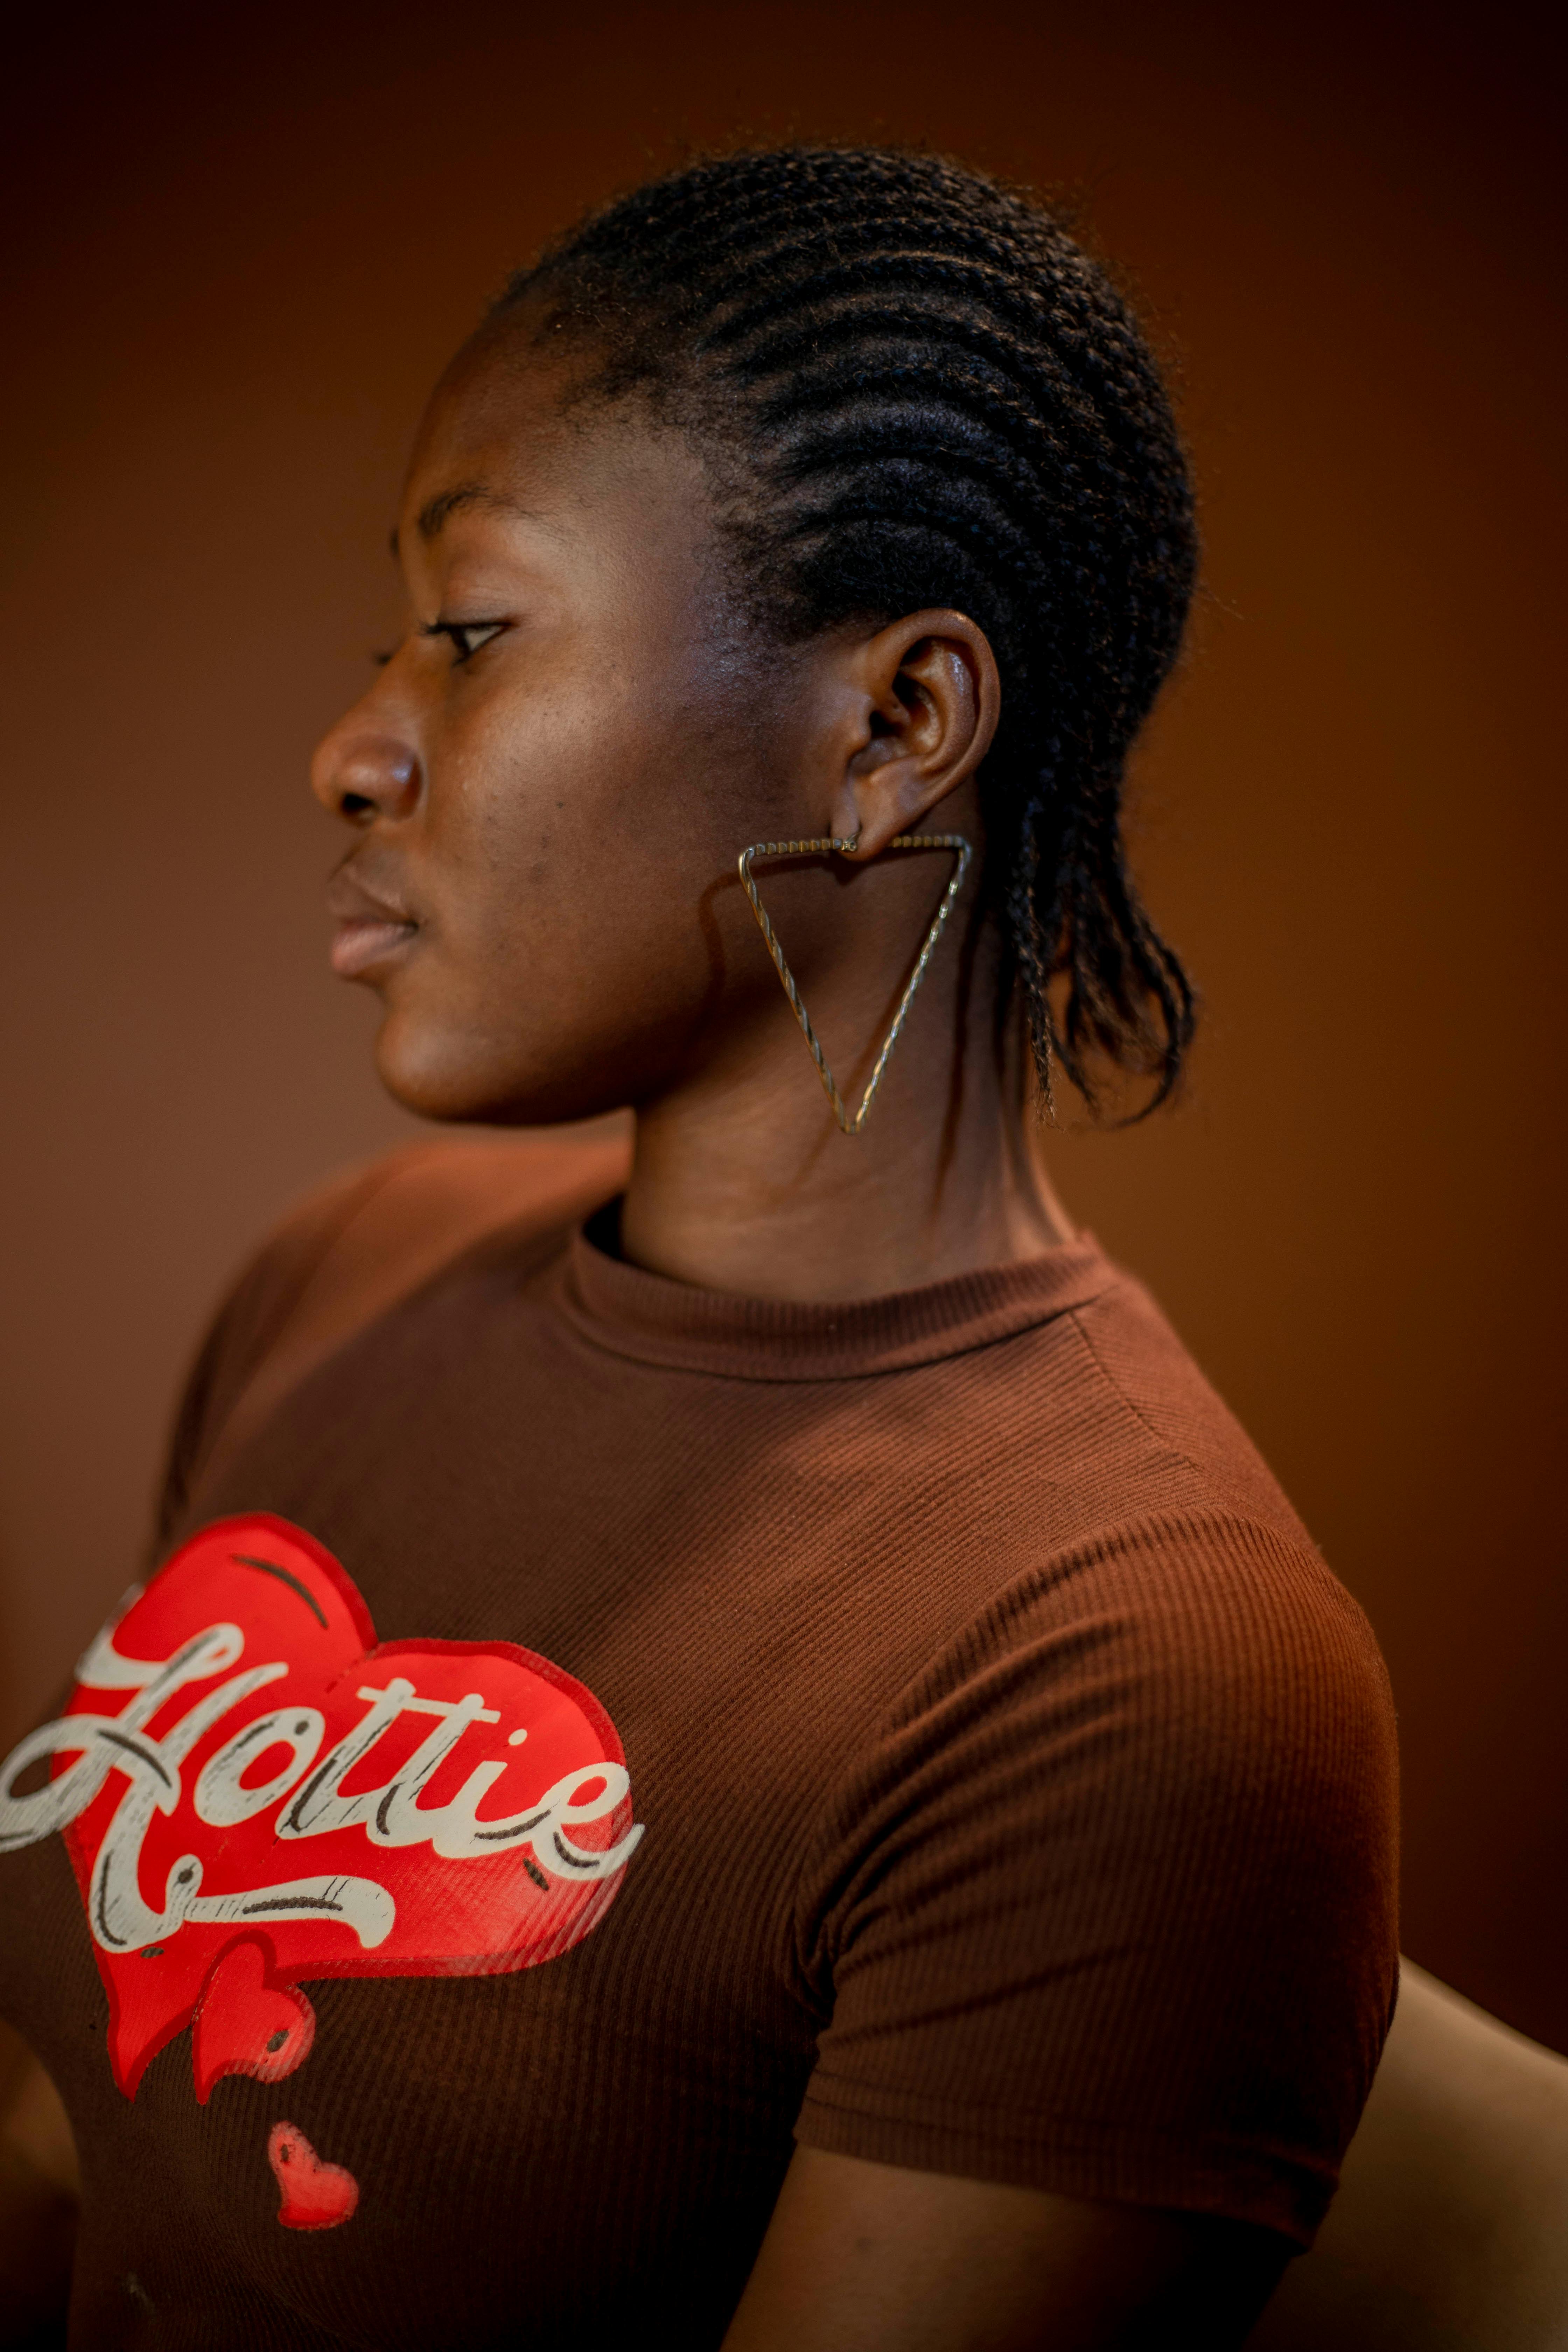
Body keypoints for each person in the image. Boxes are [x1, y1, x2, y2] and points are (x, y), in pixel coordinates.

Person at [0, 146, 1400, 2348]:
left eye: (474, 634)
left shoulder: (1134, 1677)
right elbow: (88, 2132)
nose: (352, 750)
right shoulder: (345, 1277)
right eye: (387, 641)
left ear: (891, 732)